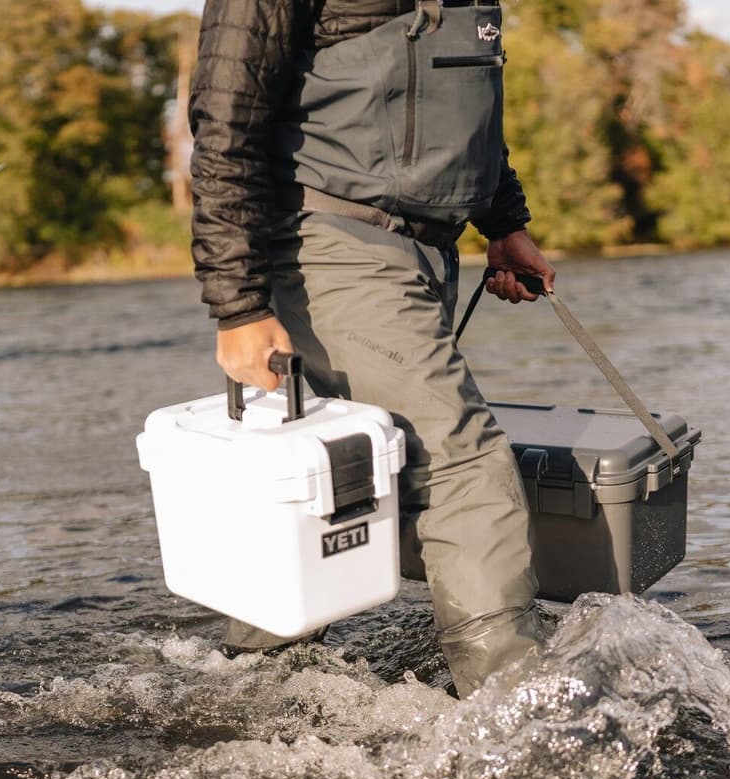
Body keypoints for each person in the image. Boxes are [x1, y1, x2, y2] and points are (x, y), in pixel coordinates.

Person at [189, 0, 556, 697]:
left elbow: (464, 101)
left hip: (426, 249)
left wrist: (503, 222)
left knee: (338, 470)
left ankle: (253, 690)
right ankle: (518, 713)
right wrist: (236, 304)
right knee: (462, 463)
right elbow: (225, 118)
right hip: (330, 240)